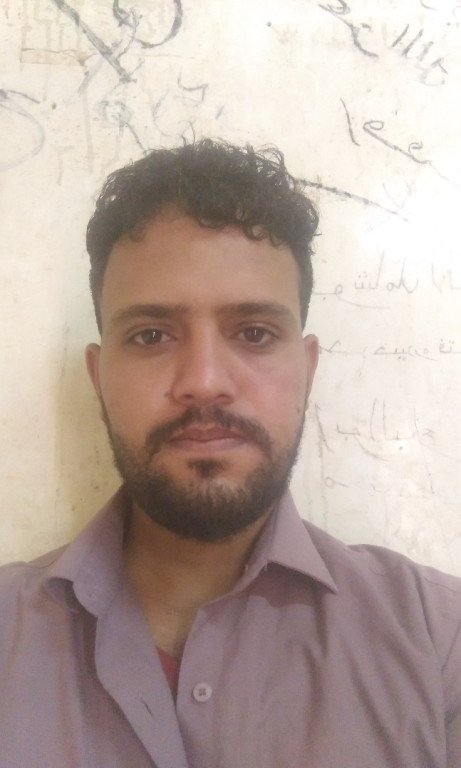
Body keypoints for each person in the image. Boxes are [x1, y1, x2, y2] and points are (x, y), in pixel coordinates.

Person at [0, 139, 460, 768]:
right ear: (98, 377)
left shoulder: (438, 643)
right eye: (151, 335)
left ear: (307, 371)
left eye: (254, 332)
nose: (205, 380)